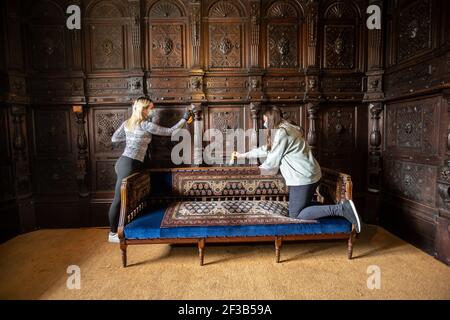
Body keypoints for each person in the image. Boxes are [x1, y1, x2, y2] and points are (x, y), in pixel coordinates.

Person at [232, 106, 361, 233]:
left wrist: (257, 170)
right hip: (308, 173)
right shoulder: (288, 128)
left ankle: (341, 209)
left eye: (265, 120)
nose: (264, 124)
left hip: (303, 176)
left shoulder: (281, 133)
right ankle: (341, 210)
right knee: (301, 208)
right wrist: (243, 155)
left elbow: (272, 161)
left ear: (271, 119)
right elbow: (267, 148)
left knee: (295, 214)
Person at [108, 97, 193, 243]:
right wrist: (185, 118)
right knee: (118, 199)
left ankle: (120, 229)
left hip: (129, 163)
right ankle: (113, 233)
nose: (153, 111)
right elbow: (171, 131)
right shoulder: (145, 125)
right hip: (128, 163)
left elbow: (115, 139)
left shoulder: (128, 123)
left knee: (127, 198)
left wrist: (132, 138)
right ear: (143, 109)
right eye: (151, 108)